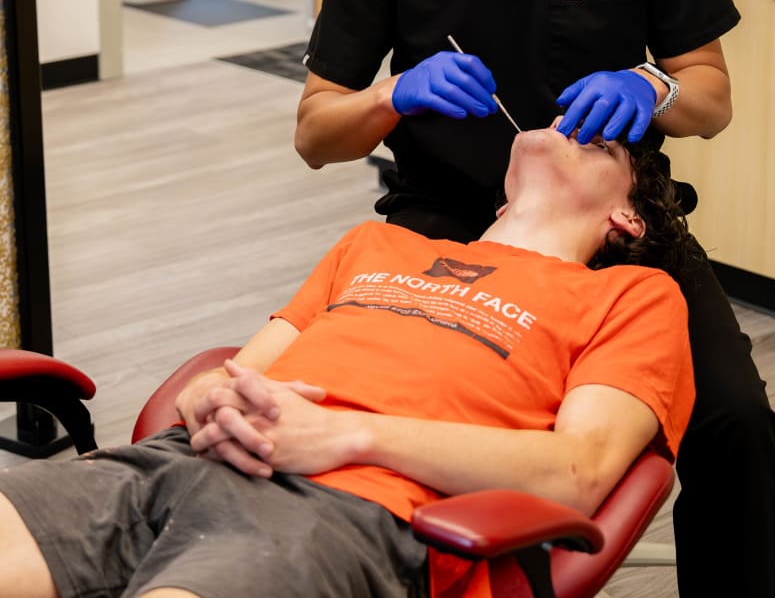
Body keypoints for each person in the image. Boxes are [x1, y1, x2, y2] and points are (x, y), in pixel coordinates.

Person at [295, 0, 775, 597]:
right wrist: (392, 97)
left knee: (738, 427)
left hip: (616, 237)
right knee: (403, 428)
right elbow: (317, 131)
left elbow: (711, 99)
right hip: (445, 235)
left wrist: (651, 86)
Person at [0, 124, 695, 598]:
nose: (568, 122)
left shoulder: (632, 295)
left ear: (626, 218)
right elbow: (238, 370)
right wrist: (207, 397)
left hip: (349, 511)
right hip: (183, 462)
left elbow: (579, 473)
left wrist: (350, 436)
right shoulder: (374, 246)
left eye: (600, 139)